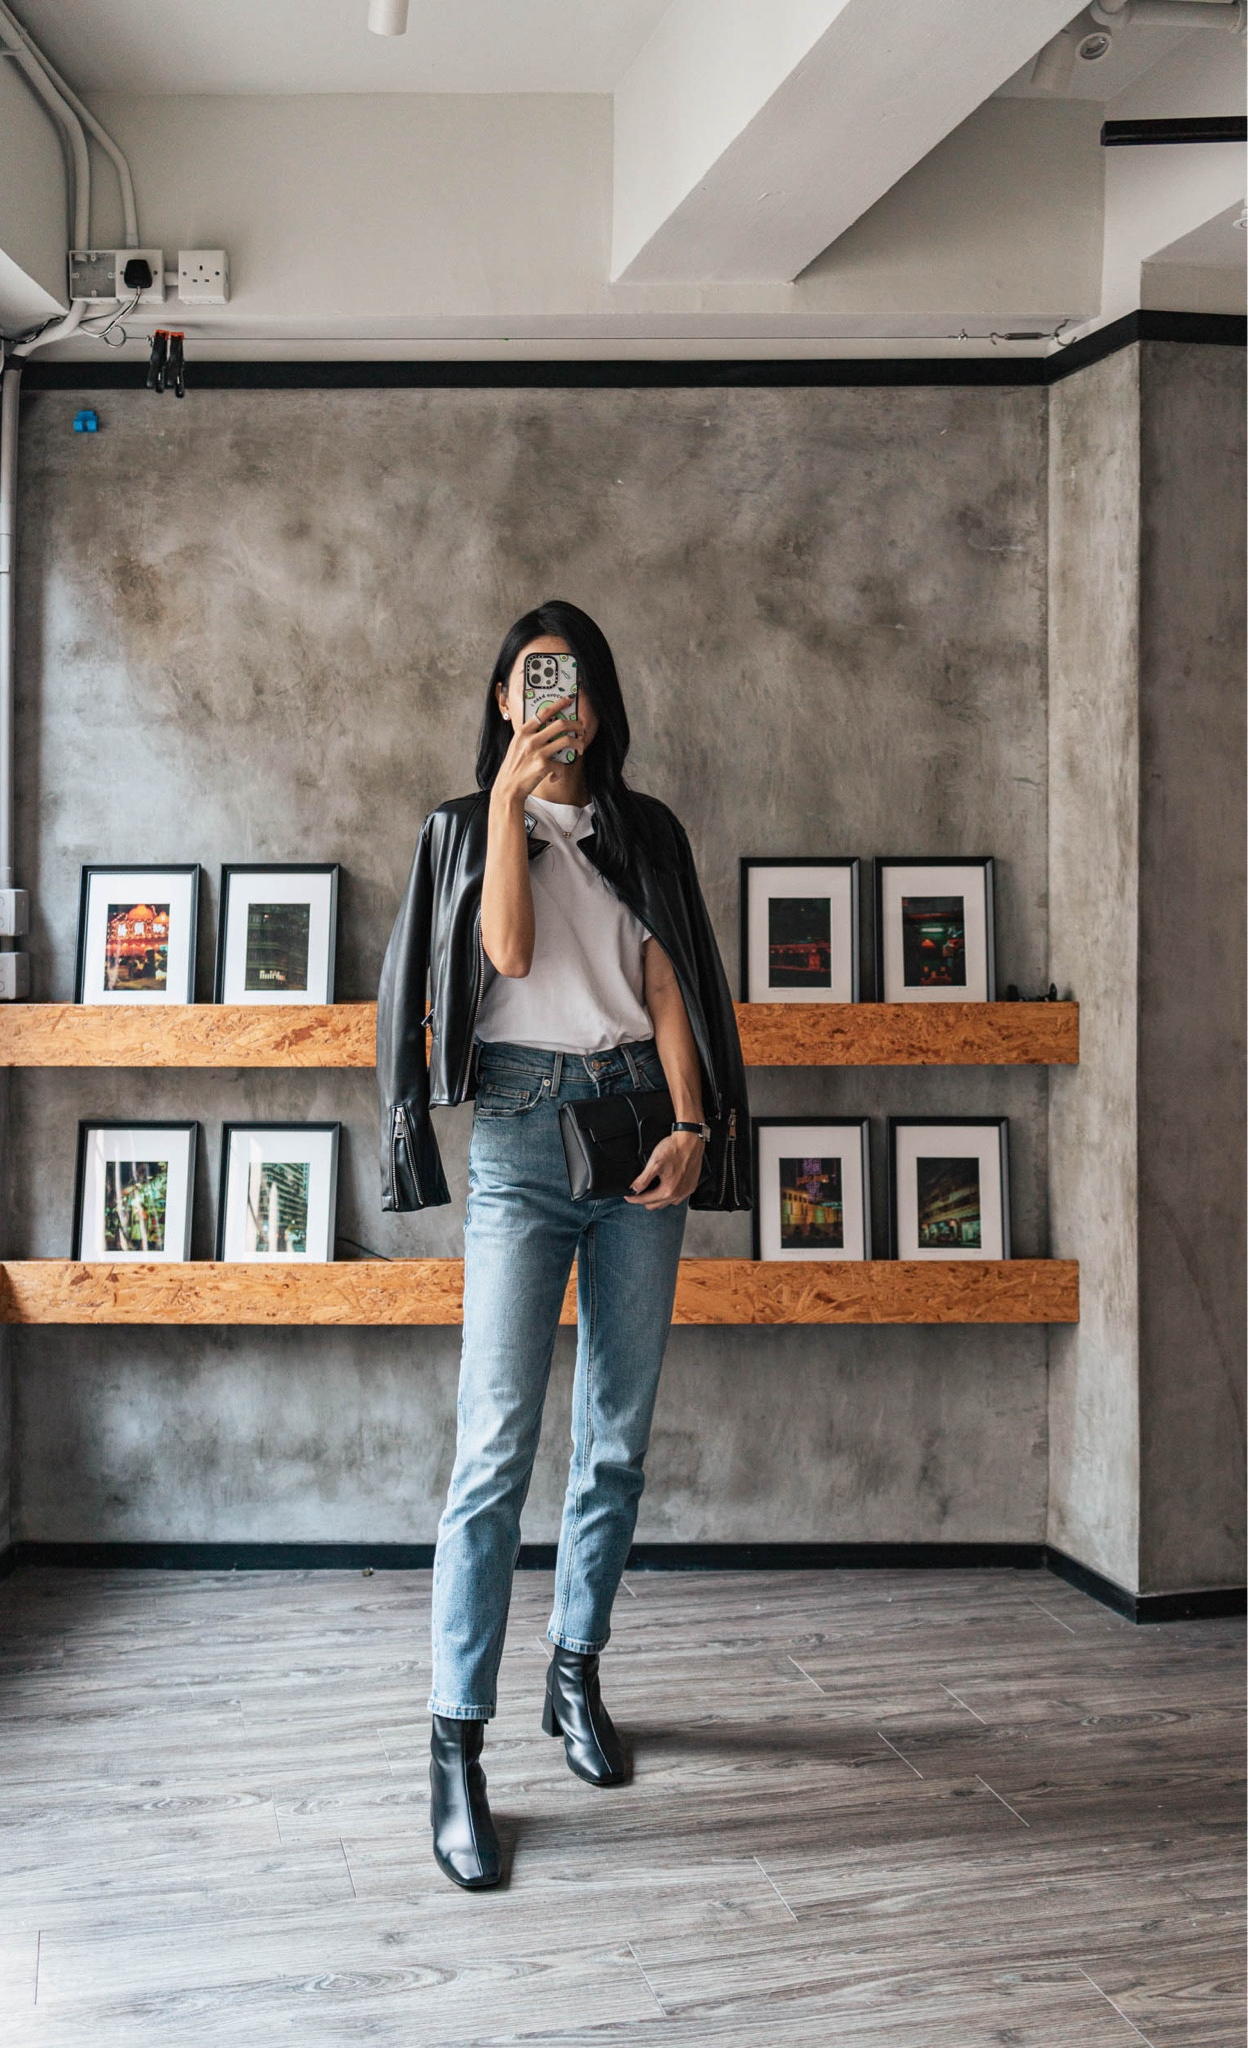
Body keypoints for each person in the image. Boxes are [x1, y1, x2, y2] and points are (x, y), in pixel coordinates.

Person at [377, 600, 750, 1890]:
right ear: (504, 701)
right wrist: (505, 809)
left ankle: (576, 1673)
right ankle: (456, 1748)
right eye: (538, 681)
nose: (559, 702)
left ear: (602, 701)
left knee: (617, 1438)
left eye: (577, 682)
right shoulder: (462, 834)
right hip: (522, 1154)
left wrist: (697, 1125)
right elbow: (512, 952)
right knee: (492, 1451)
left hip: (644, 1135)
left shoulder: (646, 834)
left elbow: (668, 989)